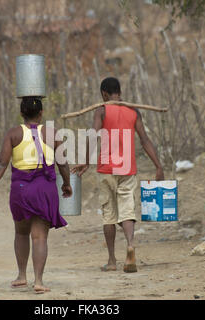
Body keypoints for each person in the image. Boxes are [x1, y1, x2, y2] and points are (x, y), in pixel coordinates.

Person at [72, 77, 164, 273]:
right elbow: (145, 140)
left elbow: (93, 136)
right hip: (127, 169)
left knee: (109, 216)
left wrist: (86, 160)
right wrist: (158, 166)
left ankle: (112, 261)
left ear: (104, 94)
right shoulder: (134, 111)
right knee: (127, 211)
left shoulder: (102, 110)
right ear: (119, 92)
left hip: (106, 170)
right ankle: (130, 245)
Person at [0, 97, 72, 294]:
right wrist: (66, 183)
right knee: (39, 237)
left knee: (21, 232)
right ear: (41, 113)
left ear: (21, 113)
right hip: (45, 188)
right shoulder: (52, 133)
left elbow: (1, 162)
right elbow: (63, 163)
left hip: (21, 189)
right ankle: (38, 281)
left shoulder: (13, 134)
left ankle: (22, 276)